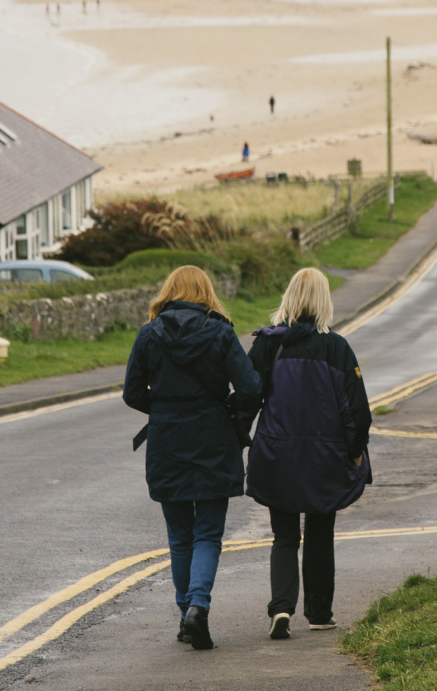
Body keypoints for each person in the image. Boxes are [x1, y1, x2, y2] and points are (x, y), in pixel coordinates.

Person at [122, 266, 261, 650]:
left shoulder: (149, 334)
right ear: (206, 293)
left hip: (167, 440)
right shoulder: (220, 331)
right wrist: (226, 404)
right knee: (209, 533)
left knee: (180, 536)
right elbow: (251, 387)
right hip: (214, 437)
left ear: (169, 292)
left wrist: (165, 407)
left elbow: (133, 393)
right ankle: (198, 606)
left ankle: (187, 613)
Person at [243, 268, 371, 640]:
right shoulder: (337, 347)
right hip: (324, 457)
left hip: (276, 453)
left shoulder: (268, 344)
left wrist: (239, 436)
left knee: (284, 535)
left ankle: (281, 608)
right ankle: (319, 613)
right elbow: (356, 410)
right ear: (323, 301)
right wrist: (356, 450)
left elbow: (249, 397)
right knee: (319, 531)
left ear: (289, 296)